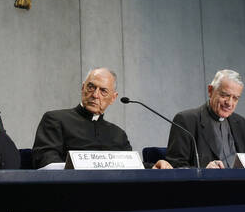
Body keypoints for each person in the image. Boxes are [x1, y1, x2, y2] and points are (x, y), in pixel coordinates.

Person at [32, 68, 171, 169]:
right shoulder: (56, 119)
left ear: (113, 98)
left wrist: (153, 167)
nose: (95, 95)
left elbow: (131, 166)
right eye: (91, 87)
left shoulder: (118, 134)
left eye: (103, 91)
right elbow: (46, 160)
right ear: (82, 88)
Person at [165, 69, 245, 168]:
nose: (229, 103)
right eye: (225, 95)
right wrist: (204, 171)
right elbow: (175, 166)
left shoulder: (241, 123)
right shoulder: (186, 120)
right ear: (210, 91)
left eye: (235, 98)